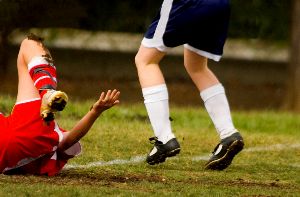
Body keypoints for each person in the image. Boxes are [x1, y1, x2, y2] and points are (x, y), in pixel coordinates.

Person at [135, 0, 244, 170]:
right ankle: (229, 133)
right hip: (221, 5)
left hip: (190, 3)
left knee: (146, 60)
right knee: (196, 66)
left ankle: (164, 138)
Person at [0, 34, 120, 176]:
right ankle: (46, 91)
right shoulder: (43, 134)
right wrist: (95, 112)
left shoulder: (40, 128)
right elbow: (68, 141)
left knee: (30, 42)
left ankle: (47, 91)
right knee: (30, 43)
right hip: (26, 136)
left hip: (20, 131)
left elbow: (68, 141)